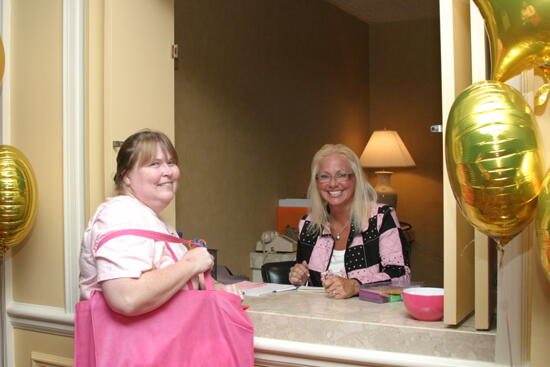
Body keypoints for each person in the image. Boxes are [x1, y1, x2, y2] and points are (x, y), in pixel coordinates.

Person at [79, 129, 239, 315]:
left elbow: (168, 281)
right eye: (154, 164)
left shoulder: (150, 218)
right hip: (135, 343)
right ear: (126, 176)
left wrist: (212, 287)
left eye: (171, 163)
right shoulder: (120, 215)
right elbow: (126, 298)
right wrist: (191, 264)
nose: (168, 172)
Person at [289, 144, 410, 299]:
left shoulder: (381, 217)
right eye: (324, 176)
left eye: (341, 175)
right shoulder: (309, 224)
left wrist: (355, 285)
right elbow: (308, 286)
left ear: (355, 178)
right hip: (320, 318)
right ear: (317, 182)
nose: (333, 183)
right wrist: (301, 278)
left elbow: (401, 277)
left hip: (369, 317)